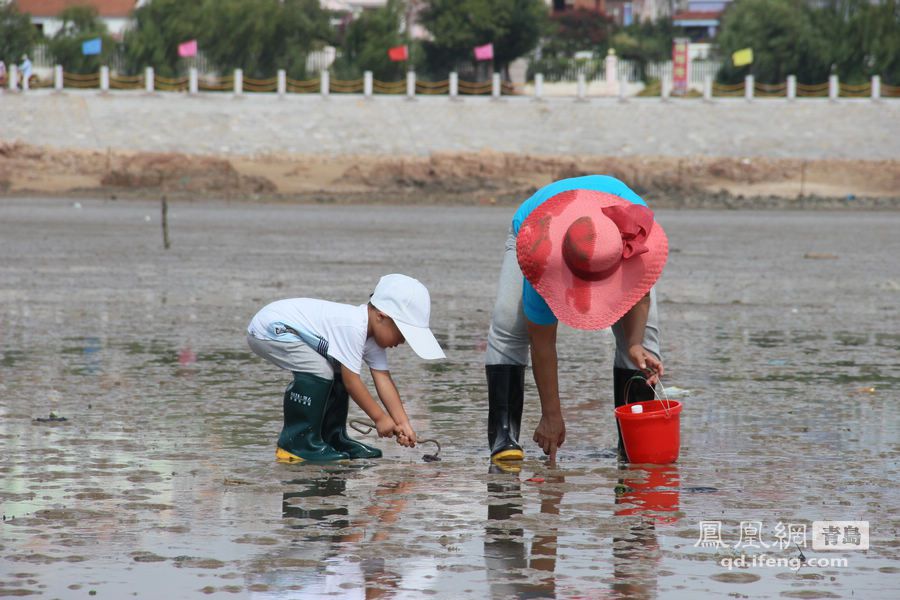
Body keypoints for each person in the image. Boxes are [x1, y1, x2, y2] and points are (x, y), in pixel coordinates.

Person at [484, 175, 669, 463]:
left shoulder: (635, 236)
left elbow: (640, 294)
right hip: (538, 223)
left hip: (617, 231)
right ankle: (503, 436)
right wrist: (551, 415)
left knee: (647, 342)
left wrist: (634, 344)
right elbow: (542, 343)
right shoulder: (541, 257)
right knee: (509, 324)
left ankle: (633, 443)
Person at [247, 273, 445, 462]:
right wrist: (380, 418)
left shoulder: (372, 338)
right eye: (402, 333)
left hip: (285, 329)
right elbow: (352, 383)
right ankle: (297, 444)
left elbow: (383, 379)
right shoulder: (353, 327)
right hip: (271, 329)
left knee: (335, 370)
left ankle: (332, 438)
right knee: (321, 370)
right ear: (381, 317)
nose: (403, 341)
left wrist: (403, 423)